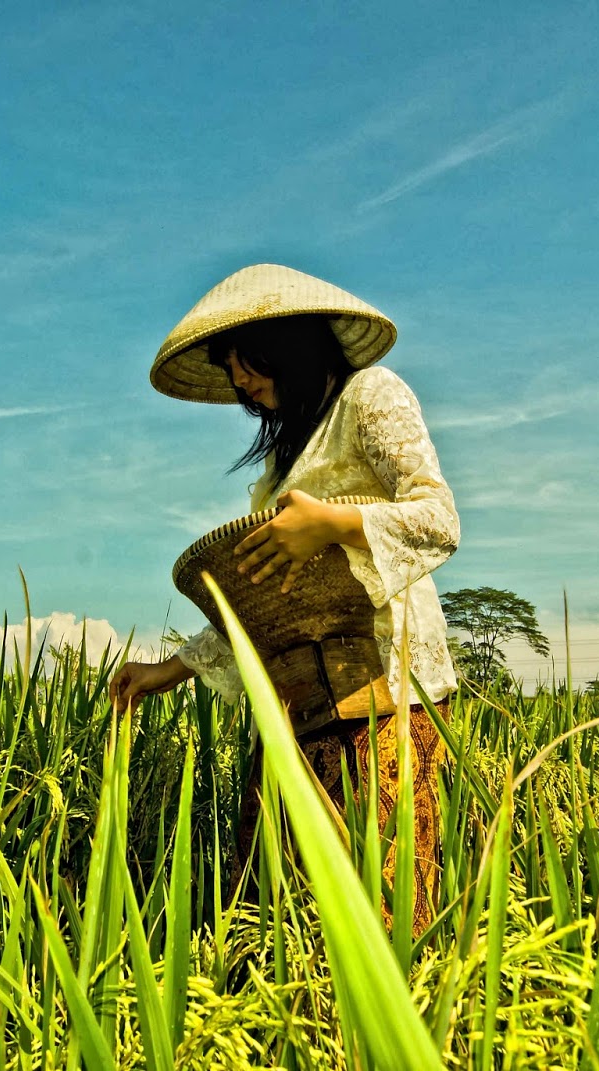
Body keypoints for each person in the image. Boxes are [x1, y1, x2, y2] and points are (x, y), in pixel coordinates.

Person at [108, 263, 459, 933]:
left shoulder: (370, 396)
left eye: (246, 359)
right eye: (230, 366)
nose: (239, 379)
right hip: (298, 705)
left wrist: (331, 524)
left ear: (292, 343)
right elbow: (265, 608)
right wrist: (171, 670)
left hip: (381, 698)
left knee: (378, 913)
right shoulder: (280, 469)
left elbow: (438, 518)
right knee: (272, 909)